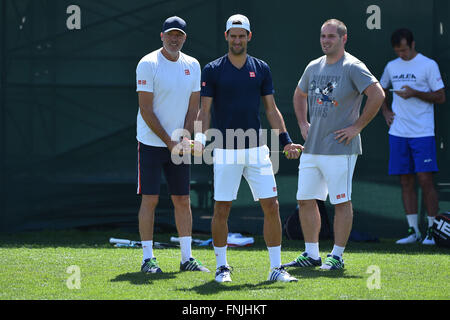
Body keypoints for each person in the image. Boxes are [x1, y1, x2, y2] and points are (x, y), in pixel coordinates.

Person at [193, 14, 302, 283]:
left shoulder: (261, 68)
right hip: (225, 150)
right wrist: (198, 138)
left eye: (242, 35)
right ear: (227, 36)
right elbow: (204, 110)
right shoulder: (212, 69)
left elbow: (271, 109)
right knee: (222, 209)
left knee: (272, 206)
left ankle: (276, 269)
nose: (237, 39)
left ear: (249, 37)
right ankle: (221, 268)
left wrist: (286, 140)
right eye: (233, 35)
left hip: (257, 149)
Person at [283, 19, 385, 270]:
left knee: (341, 202)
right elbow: (299, 94)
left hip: (341, 148)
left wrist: (357, 127)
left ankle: (337, 256)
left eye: (331, 36)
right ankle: (311, 254)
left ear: (343, 39)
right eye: (323, 36)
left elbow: (378, 94)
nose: (326, 40)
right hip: (312, 149)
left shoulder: (353, 66)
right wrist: (302, 123)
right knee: (306, 200)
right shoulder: (313, 66)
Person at [135, 16, 209, 273]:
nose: (174, 39)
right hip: (151, 143)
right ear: (162, 36)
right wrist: (169, 142)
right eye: (170, 34)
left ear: (184, 38)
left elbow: (194, 107)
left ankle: (187, 259)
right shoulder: (148, 63)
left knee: (182, 199)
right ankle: (148, 259)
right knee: (150, 199)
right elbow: (145, 109)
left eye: (179, 35)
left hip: (178, 144)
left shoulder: (193, 65)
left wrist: (185, 137)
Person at [379, 28, 446, 245]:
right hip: (398, 133)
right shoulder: (391, 66)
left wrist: (414, 92)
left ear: (413, 44)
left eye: (405, 50)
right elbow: (380, 91)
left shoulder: (428, 65)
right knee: (405, 181)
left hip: (423, 133)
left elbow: (440, 96)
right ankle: (413, 230)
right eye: (398, 51)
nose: (402, 54)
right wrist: (386, 112)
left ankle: (432, 232)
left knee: (426, 181)